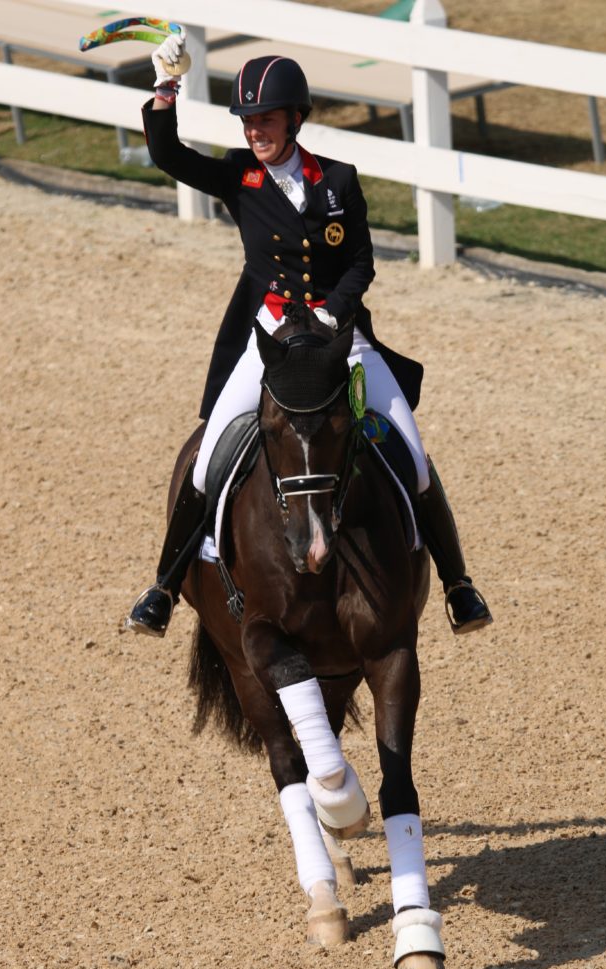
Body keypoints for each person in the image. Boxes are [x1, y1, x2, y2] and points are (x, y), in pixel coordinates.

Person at [126, 32, 492, 638]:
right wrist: (166, 86)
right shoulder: (239, 176)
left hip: (340, 340)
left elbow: (361, 264)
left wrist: (333, 315)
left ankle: (458, 586)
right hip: (269, 339)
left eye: (265, 120)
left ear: (295, 119)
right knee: (205, 459)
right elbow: (169, 156)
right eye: (247, 121)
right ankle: (163, 588)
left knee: (413, 454)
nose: (254, 131)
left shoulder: (339, 182)